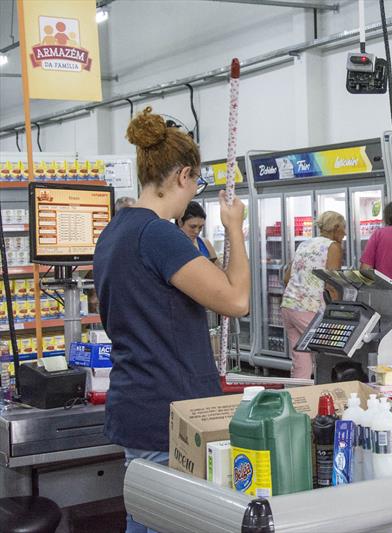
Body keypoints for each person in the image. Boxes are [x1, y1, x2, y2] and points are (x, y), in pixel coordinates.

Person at [93, 107, 249, 533]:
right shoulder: (158, 234)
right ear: (183, 176)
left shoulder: (114, 231)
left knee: (145, 518)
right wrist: (234, 227)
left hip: (137, 404)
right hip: (171, 414)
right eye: (195, 180)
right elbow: (236, 300)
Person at [281, 211, 345, 379]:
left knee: (301, 361)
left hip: (289, 306)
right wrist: (337, 311)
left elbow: (287, 278)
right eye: (343, 229)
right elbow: (331, 284)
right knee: (327, 355)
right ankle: (325, 397)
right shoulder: (333, 247)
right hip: (310, 309)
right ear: (336, 228)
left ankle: (297, 399)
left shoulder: (304, 244)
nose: (344, 234)